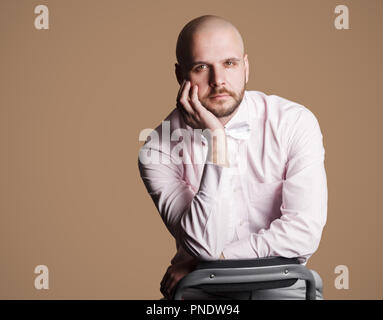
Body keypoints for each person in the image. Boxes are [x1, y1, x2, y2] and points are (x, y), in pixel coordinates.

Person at [138, 15, 327, 300]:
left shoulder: (294, 122)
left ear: (245, 67)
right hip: (203, 293)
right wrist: (216, 141)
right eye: (202, 67)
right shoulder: (157, 150)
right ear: (181, 76)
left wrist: (215, 259)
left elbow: (303, 234)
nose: (218, 81)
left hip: (283, 287)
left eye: (229, 63)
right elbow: (203, 244)